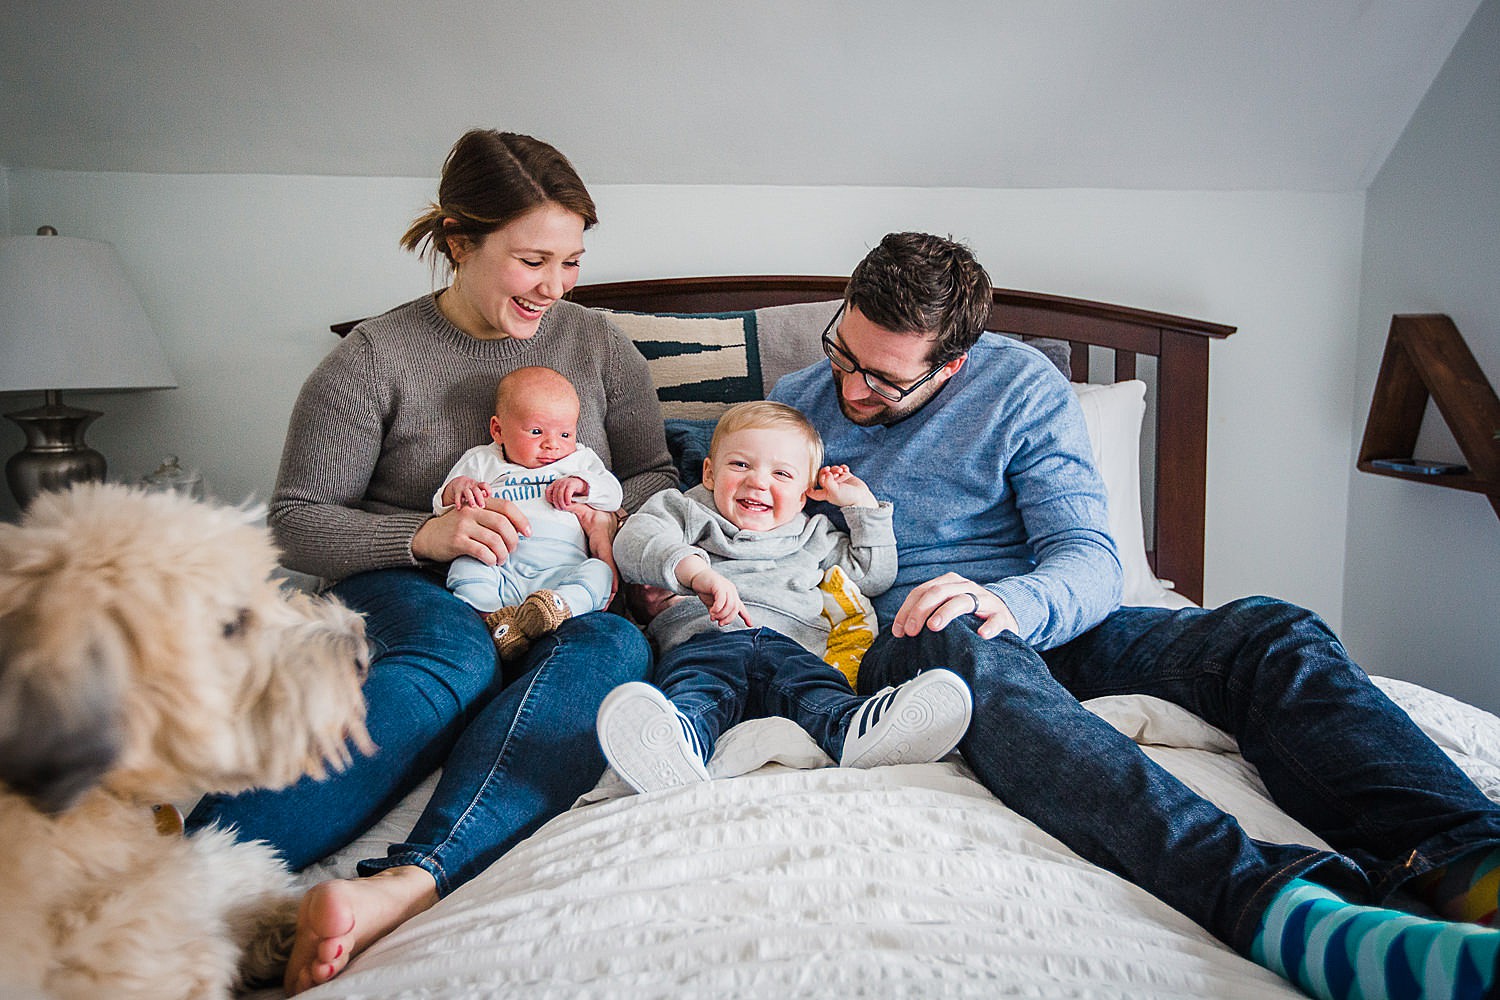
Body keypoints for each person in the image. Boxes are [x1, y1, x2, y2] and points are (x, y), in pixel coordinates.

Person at [768, 231, 1500, 1000]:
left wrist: (1010, 600)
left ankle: (1468, 862)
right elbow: (736, 521)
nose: (850, 390)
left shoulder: (1022, 385)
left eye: (883, 382)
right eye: (842, 354)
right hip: (918, 640)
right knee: (956, 637)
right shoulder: (794, 403)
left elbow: (1089, 557)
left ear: (952, 364)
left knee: (1272, 633)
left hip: (1046, 621)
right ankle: (1284, 909)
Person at [185, 129, 675, 995]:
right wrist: (423, 537)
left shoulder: (597, 345)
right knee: (457, 655)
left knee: (618, 652)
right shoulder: (374, 357)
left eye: (571, 262)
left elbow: (654, 471)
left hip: (562, 585)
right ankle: (190, 880)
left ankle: (407, 883)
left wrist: (607, 516)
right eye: (533, 261)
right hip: (413, 586)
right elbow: (296, 523)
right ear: (459, 240)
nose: (556, 287)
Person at [598, 399, 972, 794]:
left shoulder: (813, 533)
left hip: (792, 646)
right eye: (740, 465)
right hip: (705, 641)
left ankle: (861, 732)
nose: (758, 482)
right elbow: (634, 541)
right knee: (694, 694)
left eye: (781, 473)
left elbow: (872, 576)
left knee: (820, 694)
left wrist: (861, 508)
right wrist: (696, 572)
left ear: (802, 496)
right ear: (709, 472)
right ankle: (674, 748)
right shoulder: (686, 510)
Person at [436, 365, 622, 660]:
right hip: (499, 565)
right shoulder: (482, 461)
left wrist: (583, 484)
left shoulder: (579, 460)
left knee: (599, 572)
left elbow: (613, 494)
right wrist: (459, 488)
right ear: (498, 430)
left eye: (565, 433)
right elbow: (441, 506)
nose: (552, 444)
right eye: (536, 432)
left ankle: (559, 608)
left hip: (562, 572)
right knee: (466, 565)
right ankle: (496, 622)